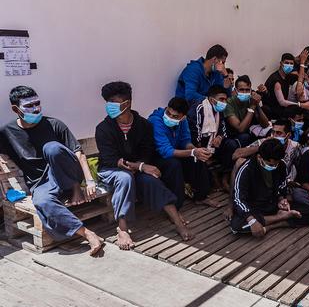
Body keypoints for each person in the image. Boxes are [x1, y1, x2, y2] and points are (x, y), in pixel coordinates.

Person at [0, 86, 104, 255]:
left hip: (66, 174)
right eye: (29, 106)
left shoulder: (54, 124)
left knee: (52, 148)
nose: (35, 108)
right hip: (40, 183)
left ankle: (74, 188)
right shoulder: (7, 133)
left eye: (38, 103)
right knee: (42, 202)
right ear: (15, 109)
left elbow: (79, 153)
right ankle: (87, 233)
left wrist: (87, 181)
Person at [96, 82, 193, 247]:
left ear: (128, 103)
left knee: (151, 180)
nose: (110, 106)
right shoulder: (103, 128)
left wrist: (141, 166)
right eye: (108, 102)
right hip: (111, 170)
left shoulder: (143, 125)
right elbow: (110, 159)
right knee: (125, 178)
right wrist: (139, 167)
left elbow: (146, 153)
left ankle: (177, 221)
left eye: (114, 102)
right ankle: (123, 229)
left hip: (137, 168)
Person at [148, 97, 214, 209]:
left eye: (175, 116)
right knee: (174, 164)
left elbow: (185, 141)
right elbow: (165, 151)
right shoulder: (156, 121)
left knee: (198, 158)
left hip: (173, 152)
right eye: (168, 113)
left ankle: (201, 197)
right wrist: (192, 152)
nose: (170, 117)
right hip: (156, 157)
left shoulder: (183, 122)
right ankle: (175, 206)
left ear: (183, 117)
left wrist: (197, 151)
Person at [230, 139, 301, 237]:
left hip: (273, 204)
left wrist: (281, 200)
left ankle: (270, 224)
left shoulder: (281, 165)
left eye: (276, 163)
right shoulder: (246, 169)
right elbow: (238, 199)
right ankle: (280, 219)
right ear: (259, 157)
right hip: (254, 208)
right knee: (236, 227)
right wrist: (251, 220)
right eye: (271, 164)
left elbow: (282, 187)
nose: (274, 166)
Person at [187, 85, 239, 191]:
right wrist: (203, 149)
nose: (224, 102)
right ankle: (212, 177)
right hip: (199, 143)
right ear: (211, 99)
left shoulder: (220, 109)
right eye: (221, 99)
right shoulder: (199, 108)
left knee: (231, 144)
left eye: (225, 99)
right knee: (200, 153)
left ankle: (225, 178)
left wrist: (219, 137)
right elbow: (194, 132)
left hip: (214, 142)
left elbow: (223, 129)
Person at [264, 53, 309, 118]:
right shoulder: (276, 80)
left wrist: (302, 63)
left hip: (283, 110)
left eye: (291, 64)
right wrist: (301, 105)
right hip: (274, 113)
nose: (289, 65)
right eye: (286, 63)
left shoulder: (287, 76)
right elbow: (282, 102)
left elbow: (300, 79)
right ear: (281, 63)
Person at [224, 75, 270, 143]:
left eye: (247, 90)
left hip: (250, 130)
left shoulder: (251, 99)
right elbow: (240, 129)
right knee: (245, 136)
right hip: (234, 135)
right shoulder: (229, 103)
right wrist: (252, 107)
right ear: (236, 90)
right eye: (241, 90)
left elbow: (265, 124)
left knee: (269, 131)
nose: (245, 92)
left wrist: (256, 104)